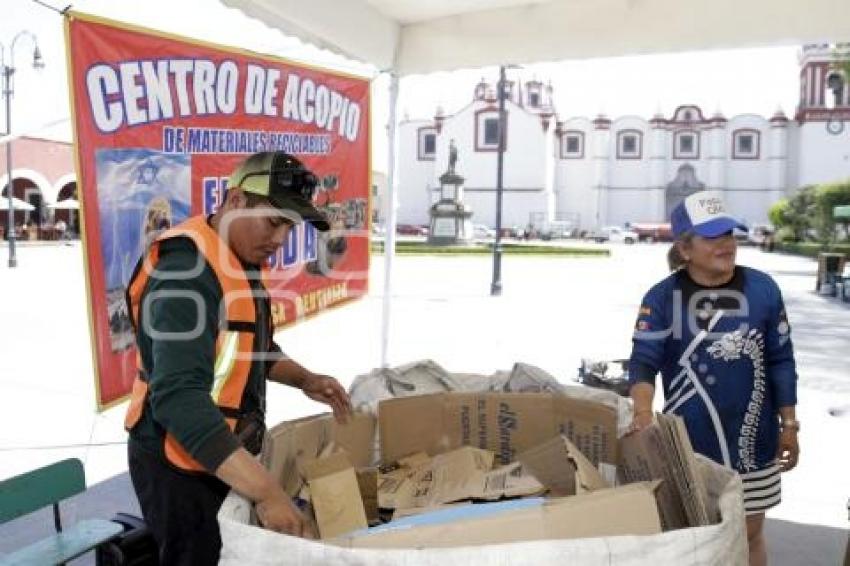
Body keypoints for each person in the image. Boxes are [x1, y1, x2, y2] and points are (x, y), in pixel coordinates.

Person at [124, 151, 353, 565]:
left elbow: (251, 350)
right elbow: (178, 400)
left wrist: (305, 380)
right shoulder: (185, 273)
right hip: (177, 462)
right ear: (234, 201)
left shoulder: (241, 260)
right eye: (274, 221)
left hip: (220, 453)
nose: (281, 239)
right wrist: (267, 491)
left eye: (289, 226)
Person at [628, 190, 799, 566]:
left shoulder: (763, 289)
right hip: (691, 445)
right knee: (695, 537)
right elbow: (643, 362)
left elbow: (781, 360)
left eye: (730, 235)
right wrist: (642, 411)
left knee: (750, 535)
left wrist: (790, 424)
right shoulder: (661, 298)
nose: (726, 245)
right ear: (685, 249)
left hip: (755, 444)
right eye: (713, 237)